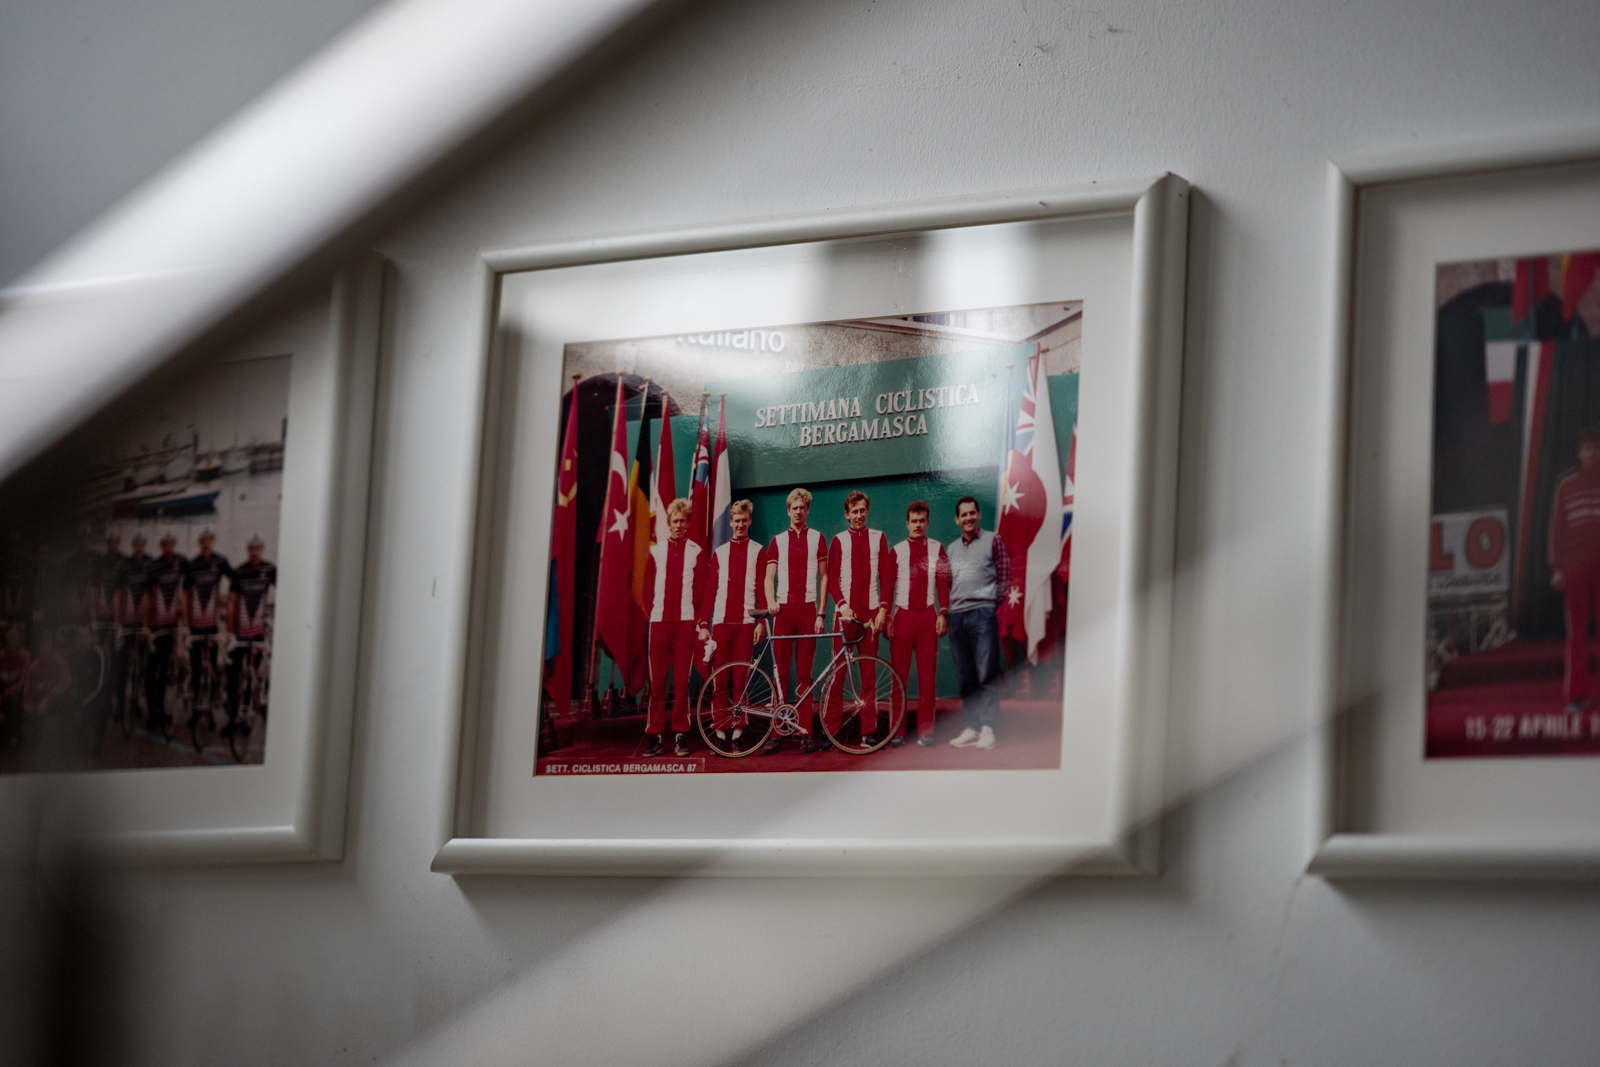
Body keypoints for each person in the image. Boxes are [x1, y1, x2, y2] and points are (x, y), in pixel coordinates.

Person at [762, 487, 829, 754]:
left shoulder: (818, 538)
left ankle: (805, 732)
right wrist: (771, 601)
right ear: (788, 511)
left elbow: (824, 577)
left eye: (802, 507)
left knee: (805, 675)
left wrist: (821, 613)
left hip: (808, 610)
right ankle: (777, 731)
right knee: (780, 674)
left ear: (807, 510)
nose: (798, 511)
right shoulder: (778, 541)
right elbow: (768, 577)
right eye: (794, 508)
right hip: (784, 612)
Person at [696, 500, 765, 748]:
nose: (740, 525)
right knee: (720, 681)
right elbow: (709, 591)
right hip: (721, 624)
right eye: (736, 521)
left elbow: (761, 588)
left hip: (746, 622)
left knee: (740, 680)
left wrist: (761, 622)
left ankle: (738, 730)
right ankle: (720, 730)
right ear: (731, 522)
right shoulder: (720, 553)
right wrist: (704, 624)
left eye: (744, 520)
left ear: (750, 521)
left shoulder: (758, 550)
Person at [944, 496, 1010, 750]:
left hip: (983, 614)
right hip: (957, 616)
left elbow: (1004, 577)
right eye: (964, 514)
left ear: (979, 515)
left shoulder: (993, 540)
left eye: (972, 513)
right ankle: (972, 726)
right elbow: (950, 582)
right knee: (966, 676)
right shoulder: (951, 549)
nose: (968, 518)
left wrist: (989, 604)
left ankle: (988, 728)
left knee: (986, 673)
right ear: (957, 519)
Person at [641, 499, 706, 757]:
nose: (679, 525)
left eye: (682, 521)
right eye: (675, 521)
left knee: (681, 682)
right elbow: (647, 589)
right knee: (657, 682)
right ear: (668, 524)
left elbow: (699, 592)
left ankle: (680, 734)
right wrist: (654, 613)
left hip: (685, 624)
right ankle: (655, 736)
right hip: (659, 623)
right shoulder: (656, 552)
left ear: (688, 523)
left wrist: (695, 618)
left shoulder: (696, 551)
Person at [825, 490, 890, 745]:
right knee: (838, 674)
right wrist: (842, 606)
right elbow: (831, 579)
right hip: (845, 616)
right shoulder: (839, 540)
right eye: (854, 511)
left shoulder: (879, 537)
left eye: (862, 510)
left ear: (867, 511)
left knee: (869, 675)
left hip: (871, 614)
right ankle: (831, 731)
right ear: (847, 514)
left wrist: (883, 609)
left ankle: (868, 731)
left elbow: (886, 576)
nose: (859, 515)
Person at [885, 501, 949, 746]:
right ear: (907, 523)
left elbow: (942, 583)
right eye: (914, 521)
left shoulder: (937, 548)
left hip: (927, 616)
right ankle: (897, 731)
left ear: (928, 522)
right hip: (902, 617)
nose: (918, 525)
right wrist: (887, 617)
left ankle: (926, 731)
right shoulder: (897, 550)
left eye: (922, 521)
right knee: (898, 677)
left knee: (927, 676)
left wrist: (943, 613)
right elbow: (888, 586)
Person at [1550, 426, 1600, 713]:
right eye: (1587, 448)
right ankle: (1577, 696)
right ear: (1579, 452)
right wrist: (1557, 568)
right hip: (1575, 570)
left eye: (1596, 448)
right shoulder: (1566, 485)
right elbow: (1557, 529)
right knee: (1577, 634)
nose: (1592, 453)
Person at [225, 535, 276, 734]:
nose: (254, 552)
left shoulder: (270, 570)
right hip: (239, 634)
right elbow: (230, 604)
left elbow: (287, 592)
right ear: (247, 550)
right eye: (251, 548)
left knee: (251, 675)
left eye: (258, 548)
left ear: (262, 549)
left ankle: (246, 716)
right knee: (233, 677)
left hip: (258, 633)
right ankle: (231, 718)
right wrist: (230, 634)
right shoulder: (239, 572)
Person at [143, 532, 188, 731]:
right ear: (161, 546)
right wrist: (145, 626)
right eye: (164, 545)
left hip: (171, 626)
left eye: (171, 544)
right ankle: (151, 710)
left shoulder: (181, 562)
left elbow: (189, 586)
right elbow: (146, 598)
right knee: (150, 670)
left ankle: (160, 708)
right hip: (155, 627)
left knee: (164, 669)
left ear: (174, 544)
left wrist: (185, 622)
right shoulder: (153, 565)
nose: (168, 548)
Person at [185, 530, 233, 713]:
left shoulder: (220, 561)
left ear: (213, 541)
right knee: (196, 669)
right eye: (202, 541)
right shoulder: (192, 564)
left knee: (212, 669)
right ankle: (196, 710)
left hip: (212, 625)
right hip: (195, 625)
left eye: (208, 540)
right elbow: (185, 594)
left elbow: (236, 581)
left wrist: (227, 606)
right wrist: (186, 624)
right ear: (199, 542)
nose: (205, 544)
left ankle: (211, 711)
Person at [112, 533, 153, 725]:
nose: (138, 548)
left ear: (144, 545)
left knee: (142, 669)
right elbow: (117, 595)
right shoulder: (125, 565)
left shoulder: (149, 564)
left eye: (141, 545)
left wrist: (146, 626)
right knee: (121, 668)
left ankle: (137, 704)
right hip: (127, 623)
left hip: (142, 625)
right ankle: (120, 708)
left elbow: (150, 595)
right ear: (132, 546)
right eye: (135, 545)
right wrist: (117, 624)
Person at [0, 625, 30, 750]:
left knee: (15, 700)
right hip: (2, 691)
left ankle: (12, 735)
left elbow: (23, 682)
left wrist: (5, 693)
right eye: (9, 640)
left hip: (15, 693)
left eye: (14, 639)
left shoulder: (24, 655)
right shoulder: (1, 655)